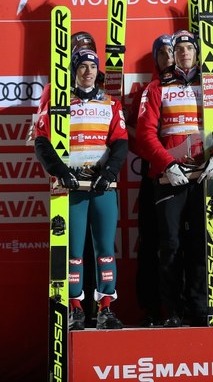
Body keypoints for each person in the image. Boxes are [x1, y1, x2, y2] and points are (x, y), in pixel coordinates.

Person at [136, 29, 213, 327]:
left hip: (203, 177)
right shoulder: (156, 88)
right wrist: (167, 164)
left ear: (196, 52)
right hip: (171, 178)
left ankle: (199, 306)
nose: (183, 54)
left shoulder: (211, 86)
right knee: (169, 245)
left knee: (201, 243)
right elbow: (144, 133)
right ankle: (171, 310)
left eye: (188, 49)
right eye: (177, 49)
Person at [34, 49, 128, 330]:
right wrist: (61, 172)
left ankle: (105, 308)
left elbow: (121, 141)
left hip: (101, 186)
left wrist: (109, 172)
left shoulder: (110, 103)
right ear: (74, 71)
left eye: (92, 66)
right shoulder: (60, 102)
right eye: (82, 66)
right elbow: (42, 140)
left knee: (105, 250)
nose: (87, 71)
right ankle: (75, 308)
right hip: (71, 186)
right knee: (74, 251)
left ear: (97, 71)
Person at [127, 34, 173, 327]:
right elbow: (128, 137)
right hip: (154, 174)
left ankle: (181, 305)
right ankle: (152, 308)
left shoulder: (197, 89)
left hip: (189, 175)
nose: (169, 57)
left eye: (174, 51)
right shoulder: (146, 91)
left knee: (181, 243)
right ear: (155, 58)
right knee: (151, 242)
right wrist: (155, 152)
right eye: (163, 53)